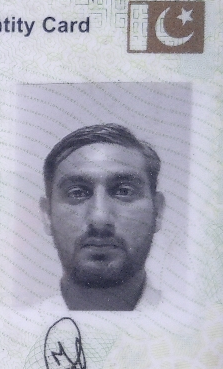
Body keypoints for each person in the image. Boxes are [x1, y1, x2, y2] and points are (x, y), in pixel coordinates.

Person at [39, 124, 165, 311]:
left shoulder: (198, 324)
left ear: (158, 211)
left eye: (124, 191)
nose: (99, 218)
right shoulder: (17, 325)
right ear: (47, 215)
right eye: (77, 193)